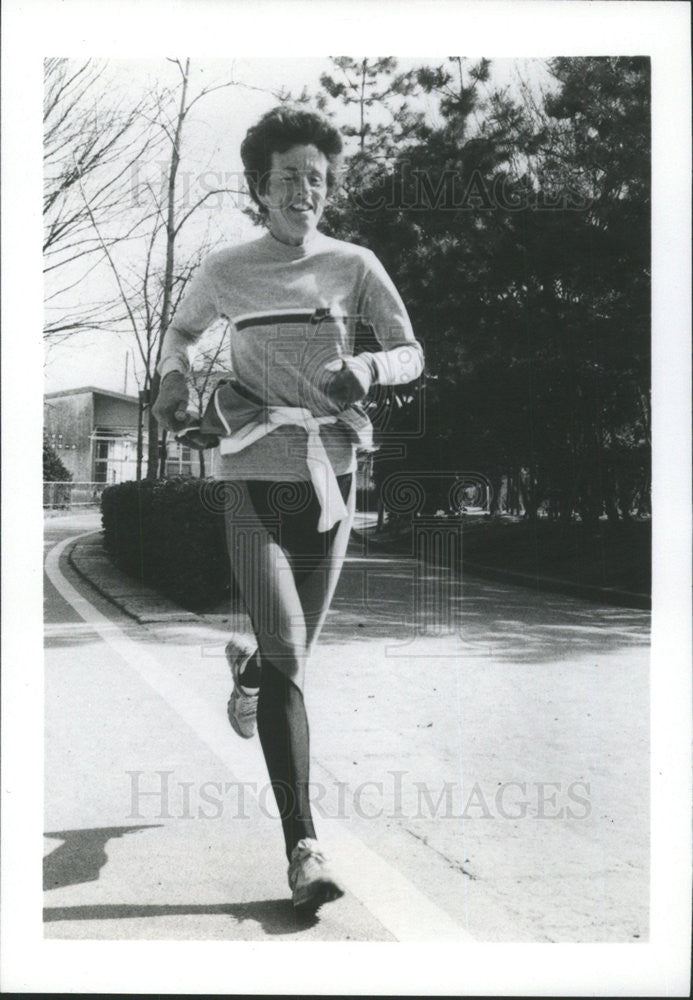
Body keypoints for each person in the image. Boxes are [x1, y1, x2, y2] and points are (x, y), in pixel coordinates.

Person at [153, 105, 424, 915]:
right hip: (251, 470)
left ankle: (246, 670)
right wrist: (174, 378)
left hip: (330, 478)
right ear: (257, 188)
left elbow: (411, 351)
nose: (305, 190)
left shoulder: (354, 263)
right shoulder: (226, 268)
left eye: (317, 177)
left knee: (286, 659)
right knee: (291, 652)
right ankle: (303, 848)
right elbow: (181, 334)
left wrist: (369, 371)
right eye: (288, 178)